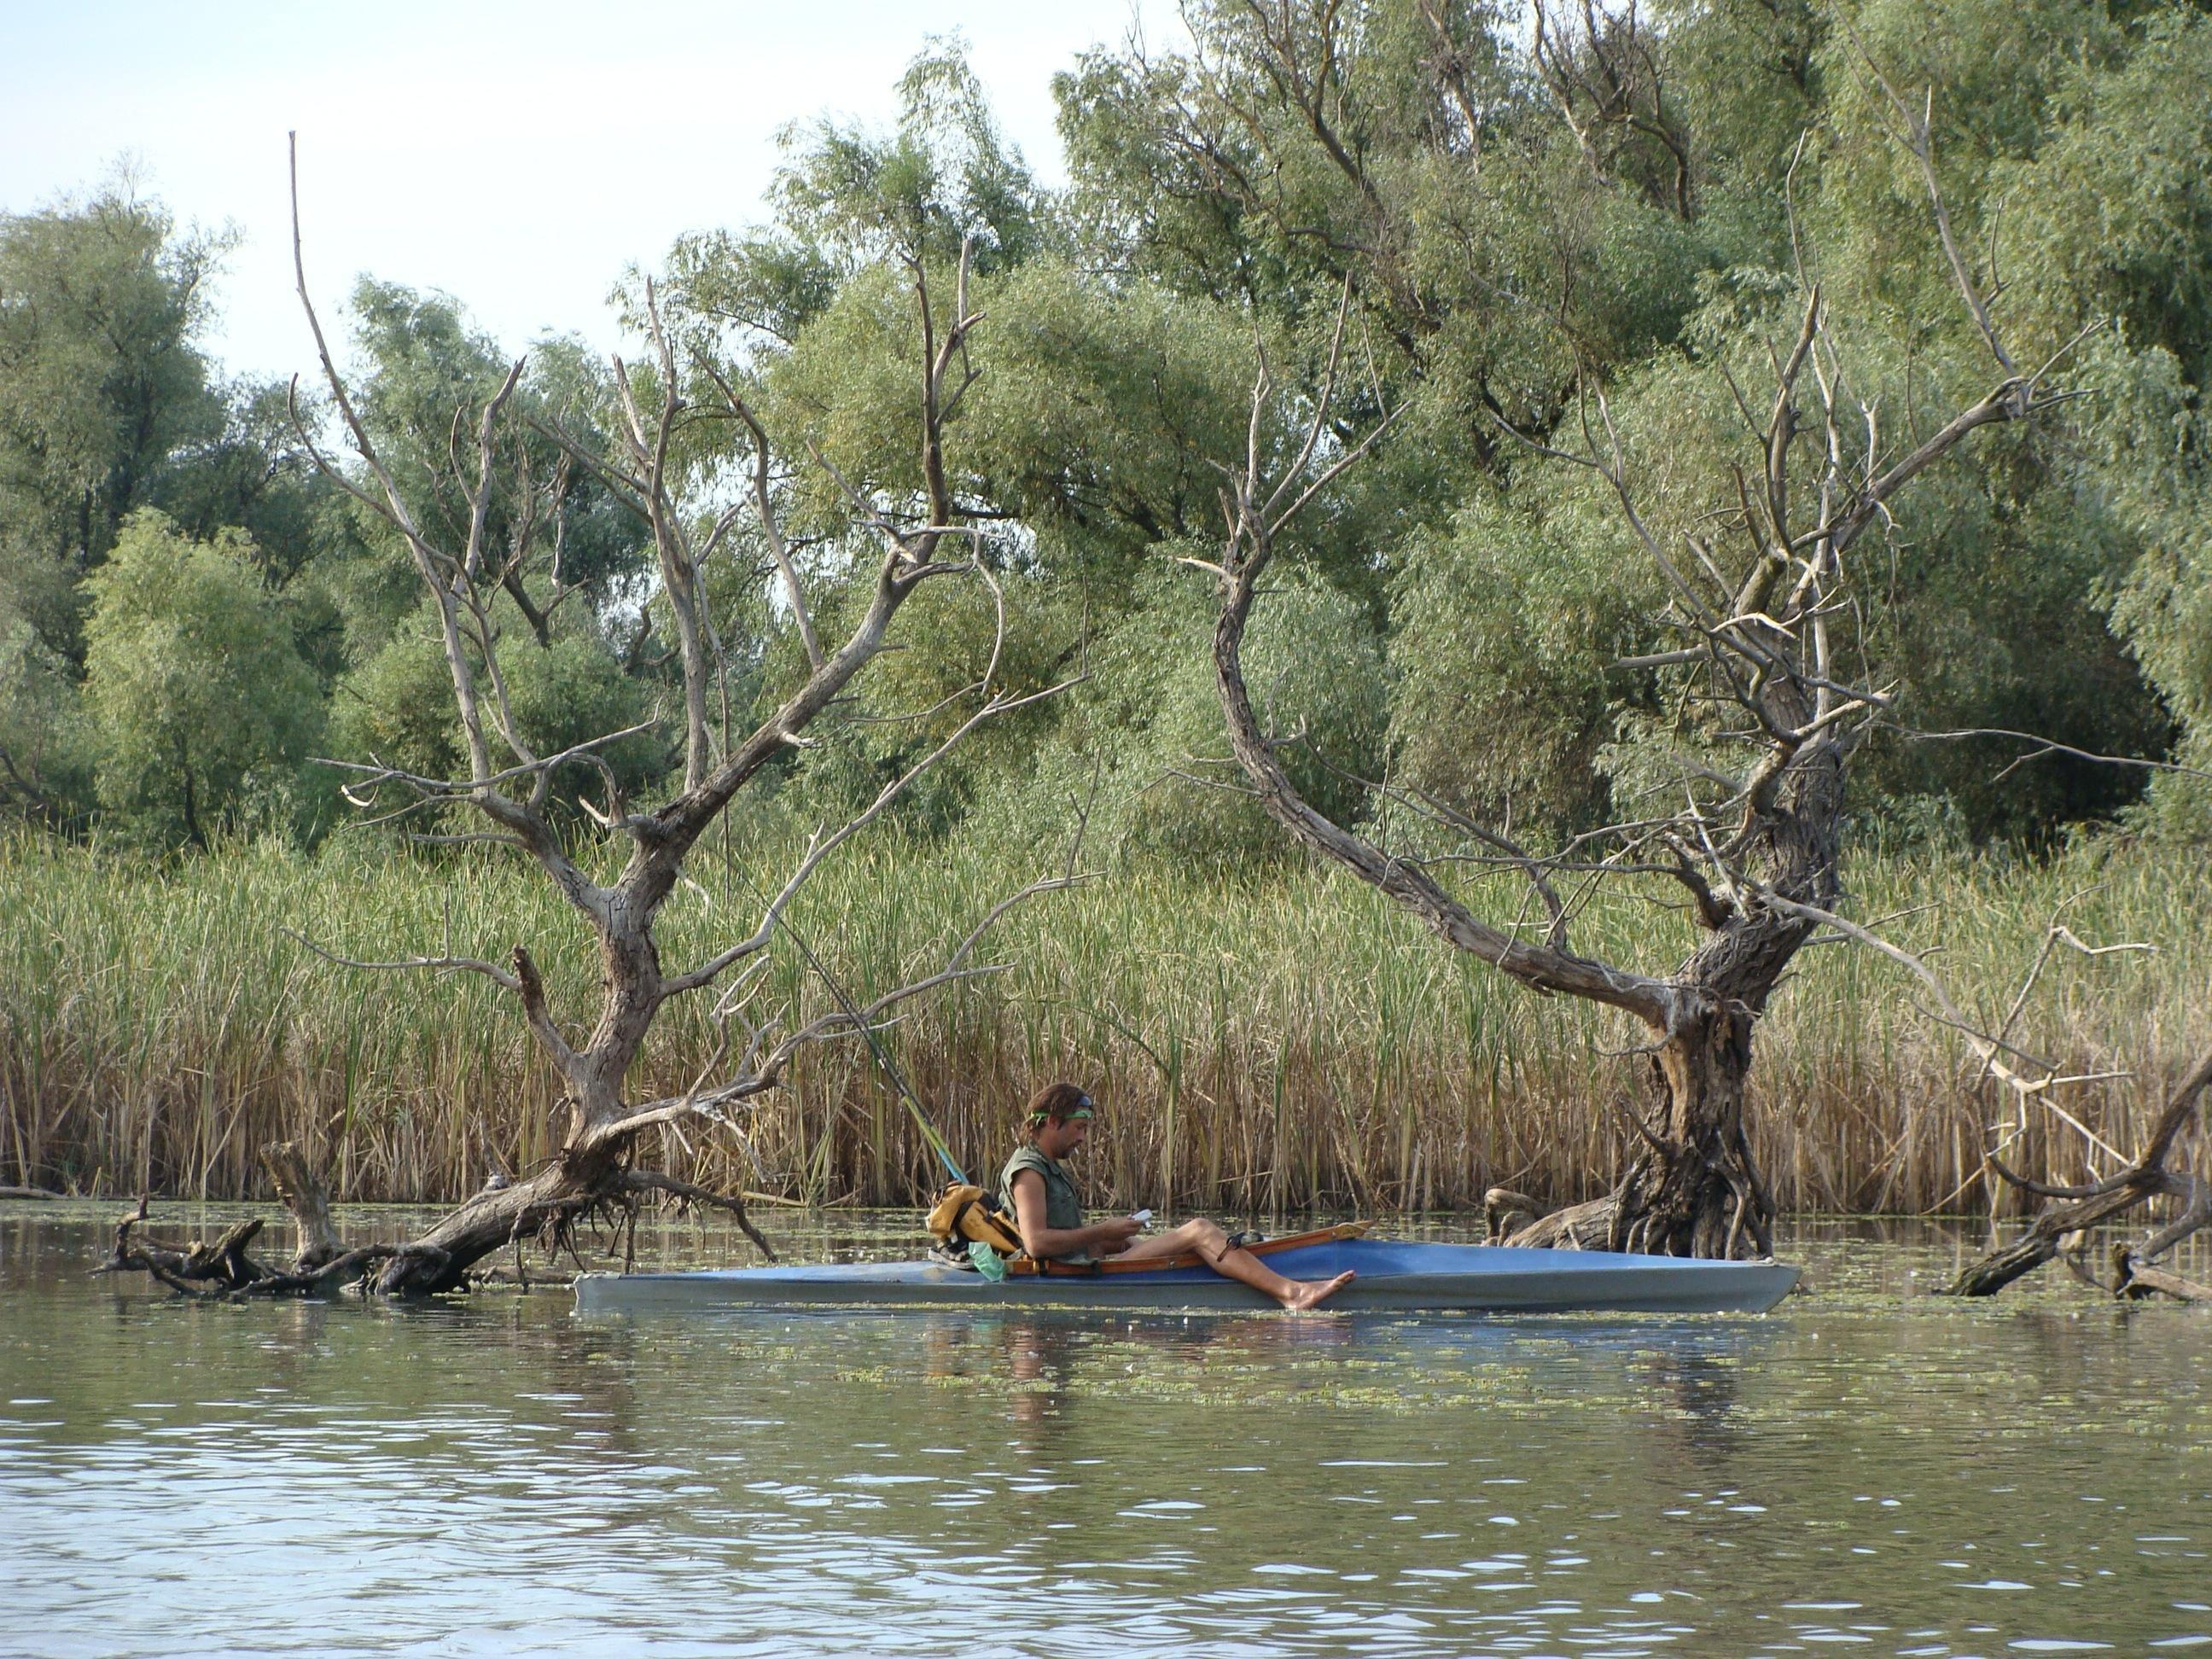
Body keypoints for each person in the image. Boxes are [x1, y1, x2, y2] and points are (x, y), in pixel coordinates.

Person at [1000, 1081, 1354, 1312]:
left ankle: (1258, 1272)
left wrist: (1113, 1239)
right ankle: (1293, 1295)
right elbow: (1036, 1243)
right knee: (1199, 1229)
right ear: (1051, 1123)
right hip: (1071, 1273)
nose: (1083, 1139)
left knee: (1177, 1241)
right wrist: (1102, 1232)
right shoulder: (1029, 1171)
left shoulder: (1049, 1165)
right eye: (1079, 1129)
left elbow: (1065, 1235)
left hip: (1085, 1260)